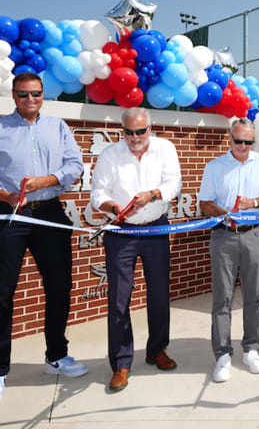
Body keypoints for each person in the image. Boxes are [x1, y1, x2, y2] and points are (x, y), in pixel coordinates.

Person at [0, 72, 86, 408]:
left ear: (43, 95)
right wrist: (1, 193)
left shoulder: (58, 127)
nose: (31, 99)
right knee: (1, 293)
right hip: (5, 215)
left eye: (36, 94)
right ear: (13, 96)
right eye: (23, 94)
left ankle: (56, 355)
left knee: (60, 286)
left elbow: (75, 165)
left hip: (50, 213)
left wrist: (45, 180)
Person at [90, 107, 182, 392]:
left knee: (159, 295)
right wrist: (113, 207)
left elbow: (173, 184)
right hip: (121, 233)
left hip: (156, 228)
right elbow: (97, 195)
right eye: (128, 132)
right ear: (123, 131)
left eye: (140, 132)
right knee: (119, 299)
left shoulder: (165, 149)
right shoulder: (109, 155)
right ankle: (120, 364)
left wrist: (152, 195)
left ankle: (157, 350)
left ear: (150, 129)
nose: (134, 137)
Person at [199, 118, 259, 383]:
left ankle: (252, 348)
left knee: (254, 296)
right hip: (224, 236)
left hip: (254, 234)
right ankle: (222, 354)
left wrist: (252, 203)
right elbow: (205, 203)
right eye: (238, 141)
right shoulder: (215, 167)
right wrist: (225, 214)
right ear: (229, 139)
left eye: (248, 142)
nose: (243, 146)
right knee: (222, 298)